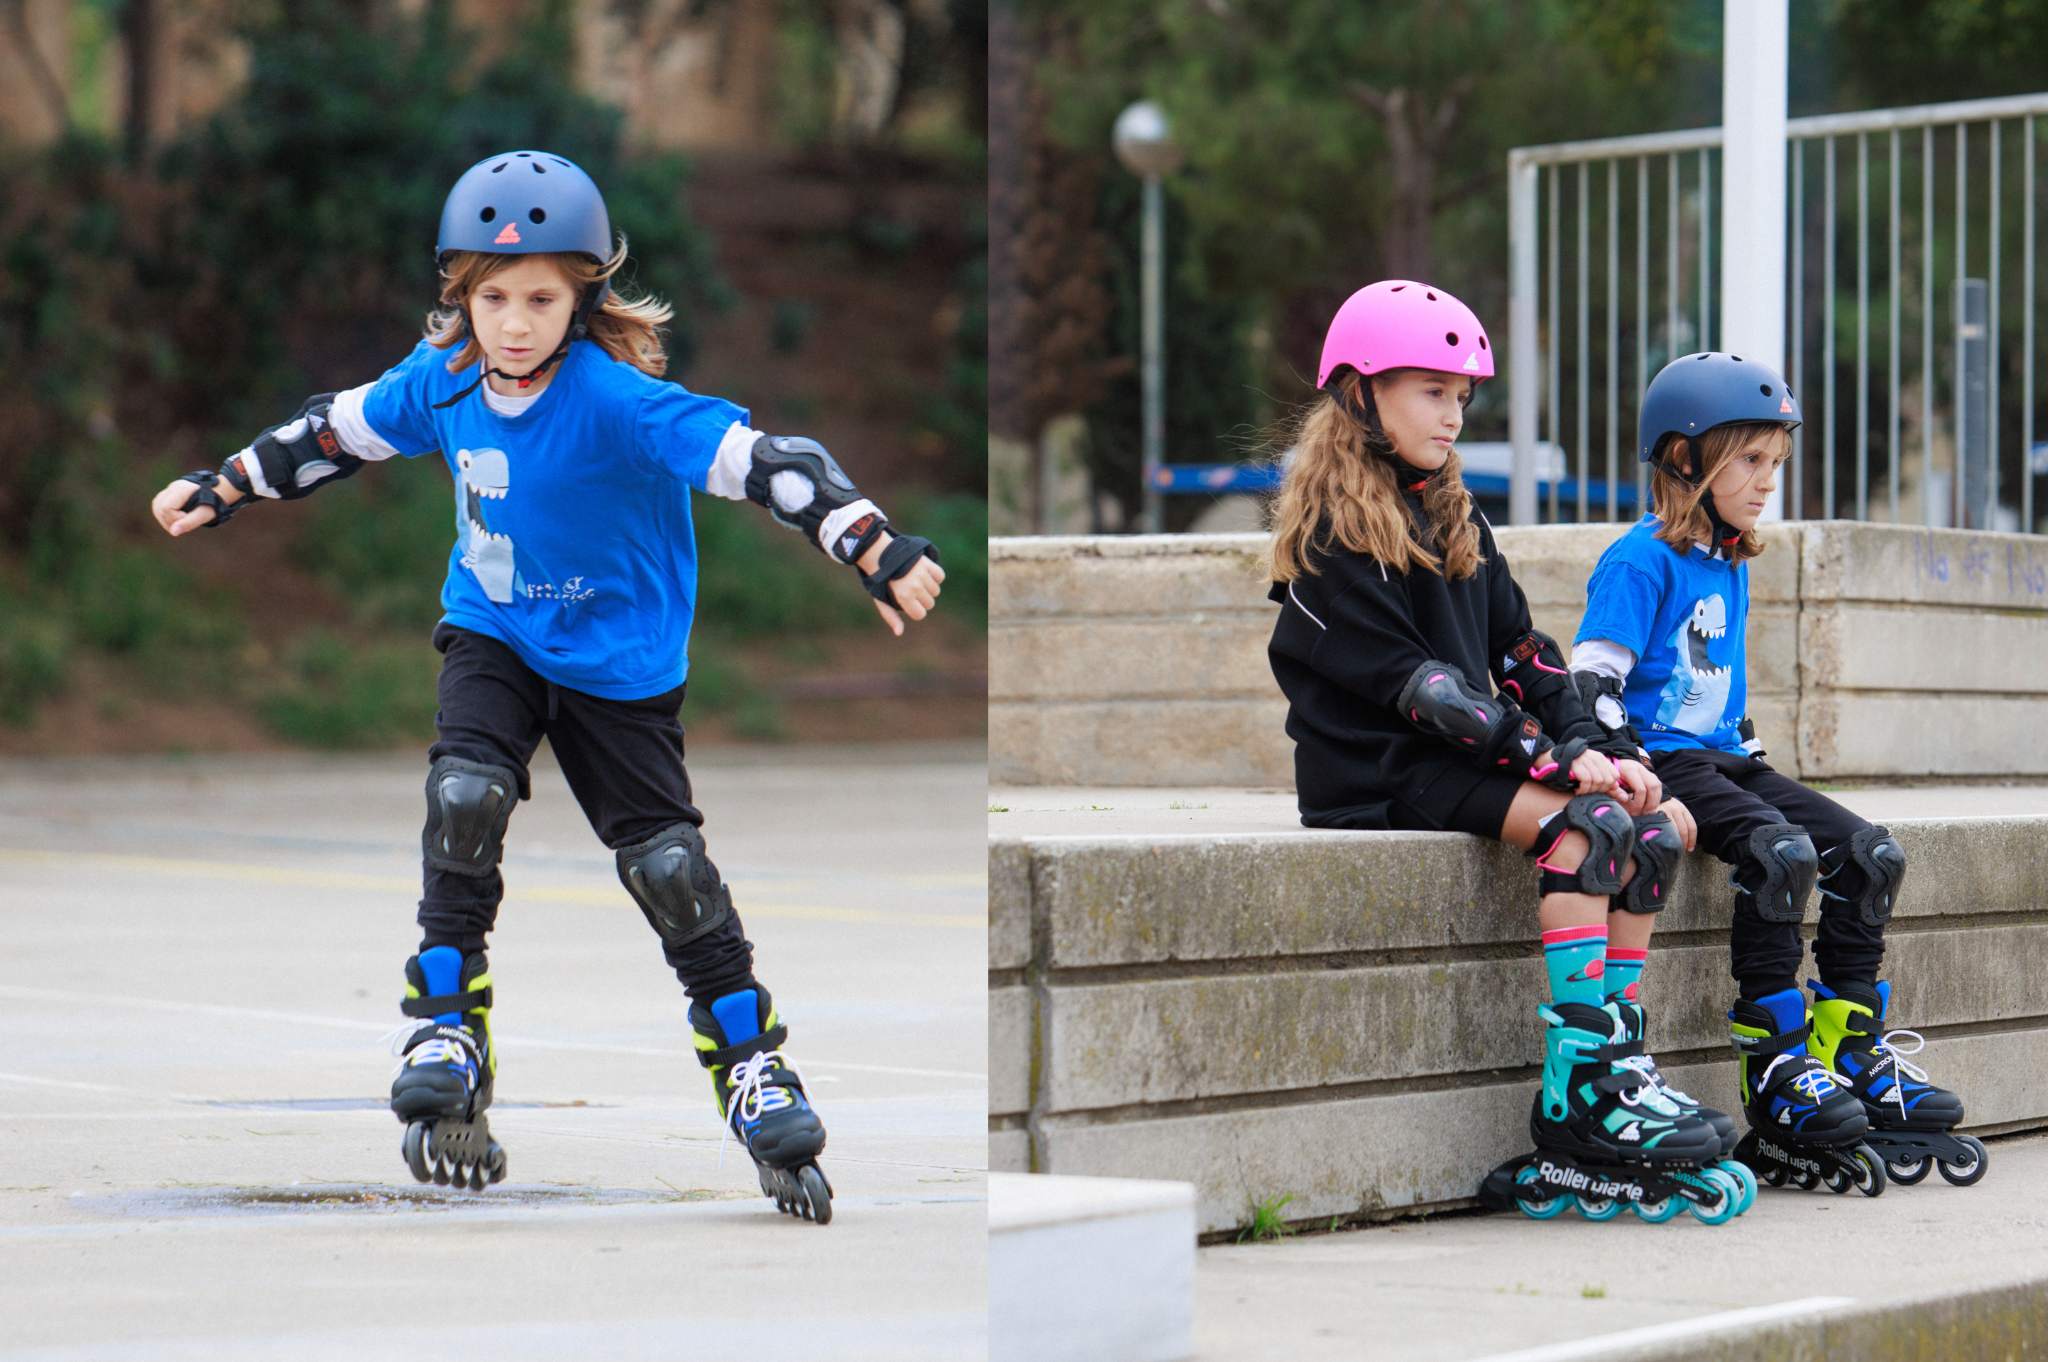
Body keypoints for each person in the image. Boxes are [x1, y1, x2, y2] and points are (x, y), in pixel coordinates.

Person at [147, 149, 947, 1224]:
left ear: (582, 299)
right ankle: (446, 1023)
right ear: (460, 296)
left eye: (539, 299)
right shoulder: (441, 380)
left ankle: (751, 1063)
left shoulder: (616, 400)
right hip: (497, 632)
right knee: (463, 796)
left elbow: (765, 462)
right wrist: (226, 484)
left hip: (621, 665)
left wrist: (870, 543)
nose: (514, 324)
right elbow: (332, 432)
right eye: (492, 299)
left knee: (668, 869)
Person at [1265, 280, 1747, 1223]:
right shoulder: (1331, 539)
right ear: (1359, 393)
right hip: (1376, 770)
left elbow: (1524, 656)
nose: (1453, 415)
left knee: (1647, 831)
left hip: (1452, 757)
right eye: (1430, 392)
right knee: (1586, 831)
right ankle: (1579, 1096)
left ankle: (1616, 1061)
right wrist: (1553, 763)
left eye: (1461, 396)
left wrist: (1603, 744)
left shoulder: (1456, 516)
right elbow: (1425, 693)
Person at [1571, 350, 1983, 1195]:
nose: (1768, 481)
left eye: (1776, 461)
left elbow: (1720, 689)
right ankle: (1778, 1067)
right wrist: (1631, 774)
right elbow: (1592, 682)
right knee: (1780, 853)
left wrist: (1752, 760)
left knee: (1870, 854)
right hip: (1662, 761)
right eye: (1751, 459)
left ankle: (1850, 1053)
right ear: (1684, 458)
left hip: (1723, 757)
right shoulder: (1639, 560)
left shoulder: (1729, 561)